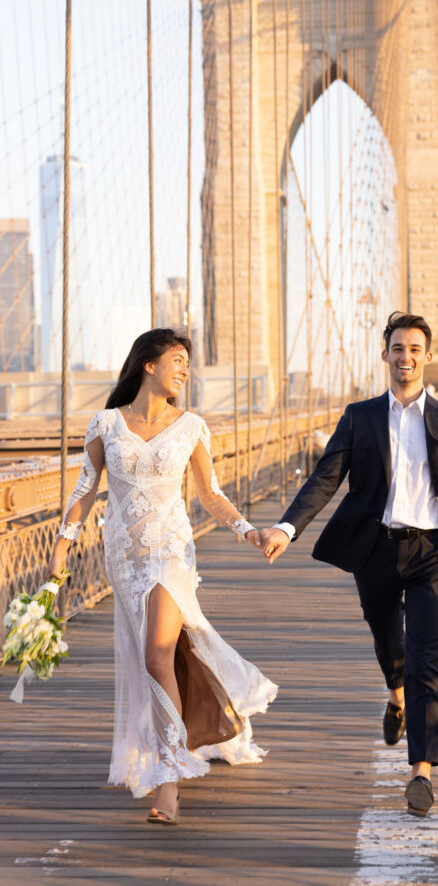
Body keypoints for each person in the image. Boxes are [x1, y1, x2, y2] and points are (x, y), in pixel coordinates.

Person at [260, 311, 438, 817]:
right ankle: (395, 696)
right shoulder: (359, 417)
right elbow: (325, 477)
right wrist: (286, 527)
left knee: (427, 659)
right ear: (384, 355)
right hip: (376, 550)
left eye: (414, 349)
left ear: (428, 357)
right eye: (397, 349)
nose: (405, 358)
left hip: (432, 552)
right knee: (389, 642)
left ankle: (421, 772)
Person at [49, 329, 276, 825]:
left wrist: (247, 530)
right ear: (148, 365)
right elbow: (85, 491)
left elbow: (210, 494)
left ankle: (169, 776)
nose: (184, 370)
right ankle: (182, 739)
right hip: (124, 557)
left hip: (172, 552)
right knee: (154, 660)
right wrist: (62, 547)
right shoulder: (106, 424)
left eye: (188, 364)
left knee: (156, 652)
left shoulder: (192, 425)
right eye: (177, 360)